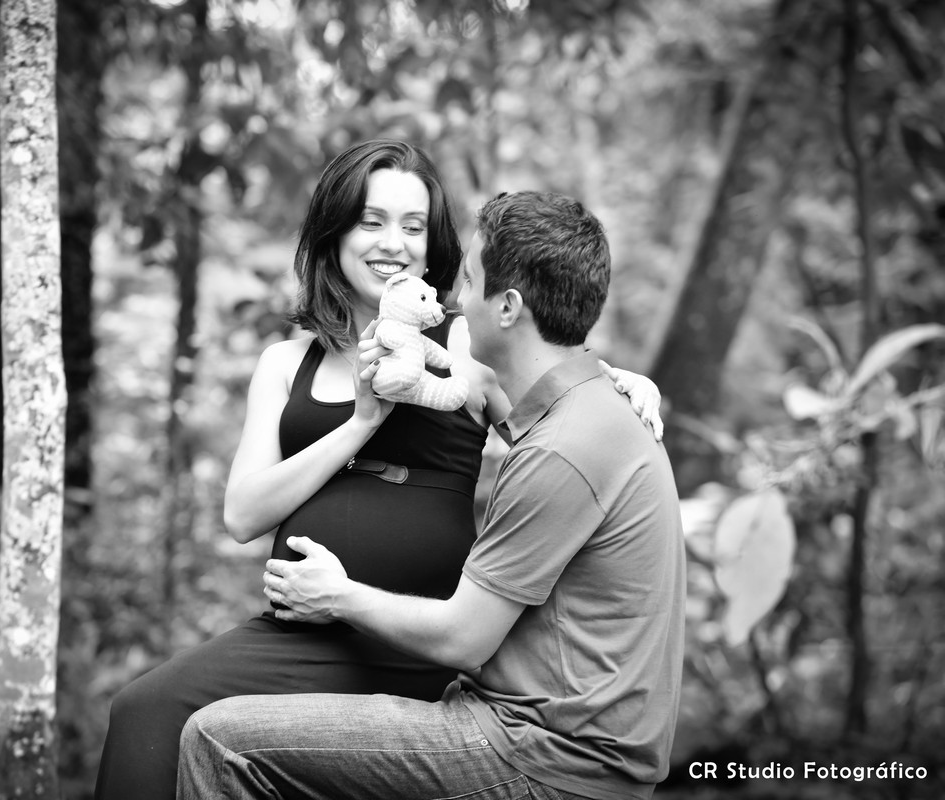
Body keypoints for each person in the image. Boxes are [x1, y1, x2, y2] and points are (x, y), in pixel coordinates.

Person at [93, 143, 663, 800]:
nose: (394, 243)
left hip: (416, 631)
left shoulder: (466, 342)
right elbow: (243, 515)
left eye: (413, 226)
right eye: (372, 221)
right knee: (144, 712)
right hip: (304, 629)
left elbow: (555, 397)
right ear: (335, 233)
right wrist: (362, 422)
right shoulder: (287, 363)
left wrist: (623, 383)